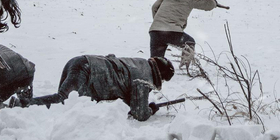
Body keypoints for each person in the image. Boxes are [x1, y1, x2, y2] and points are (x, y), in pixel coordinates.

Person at [20, 54, 174, 122]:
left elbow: (127, 95)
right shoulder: (144, 79)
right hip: (88, 71)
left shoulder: (139, 63)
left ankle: (25, 107)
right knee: (62, 101)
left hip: (80, 62)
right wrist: (150, 109)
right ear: (160, 76)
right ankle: (20, 106)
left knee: (64, 107)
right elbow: (139, 114)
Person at [149, 0, 223, 66]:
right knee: (189, 43)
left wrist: (159, 23)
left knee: (156, 61)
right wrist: (214, 2)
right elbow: (206, 5)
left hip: (155, 31)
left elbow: (154, 7)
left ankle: (154, 70)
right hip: (171, 32)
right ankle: (185, 67)